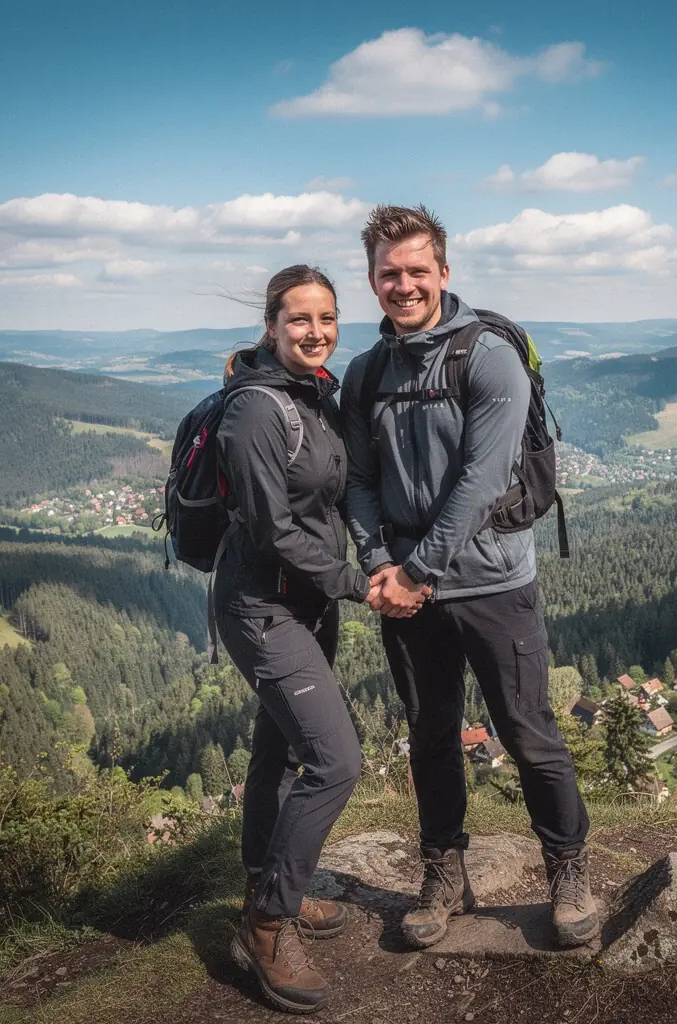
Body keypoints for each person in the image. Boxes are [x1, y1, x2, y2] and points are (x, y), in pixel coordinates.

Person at [342, 206, 597, 950]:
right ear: (372, 280)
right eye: (389, 273)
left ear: (444, 273)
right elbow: (358, 481)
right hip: (407, 588)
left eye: (417, 270)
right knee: (429, 734)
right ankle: (443, 874)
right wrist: (377, 563)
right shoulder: (366, 374)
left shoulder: (489, 357)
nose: (404, 284)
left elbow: (484, 482)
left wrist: (416, 571)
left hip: (492, 585)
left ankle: (568, 869)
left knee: (527, 730)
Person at [215, 265, 426, 1014]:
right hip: (261, 609)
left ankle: (273, 884)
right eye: (299, 320)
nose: (316, 332)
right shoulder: (257, 414)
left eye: (327, 318)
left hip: (307, 605)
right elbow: (272, 531)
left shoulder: (317, 394)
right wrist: (358, 583)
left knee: (281, 749)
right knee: (336, 761)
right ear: (272, 325)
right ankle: (267, 925)